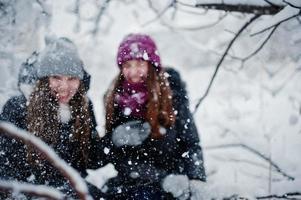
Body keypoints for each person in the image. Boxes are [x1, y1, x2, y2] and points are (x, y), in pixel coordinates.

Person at [101, 33, 206, 199]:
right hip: (133, 183)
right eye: (127, 65)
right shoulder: (114, 99)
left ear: (151, 65)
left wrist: (197, 179)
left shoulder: (173, 96)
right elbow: (118, 158)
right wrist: (115, 139)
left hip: (176, 184)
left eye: (139, 64)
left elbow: (191, 143)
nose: (133, 72)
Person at [0, 37, 104, 199]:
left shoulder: (82, 106)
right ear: (44, 79)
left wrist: (114, 142)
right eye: (56, 77)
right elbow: (5, 167)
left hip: (73, 188)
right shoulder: (18, 107)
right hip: (32, 190)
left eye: (72, 78)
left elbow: (91, 160)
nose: (64, 87)